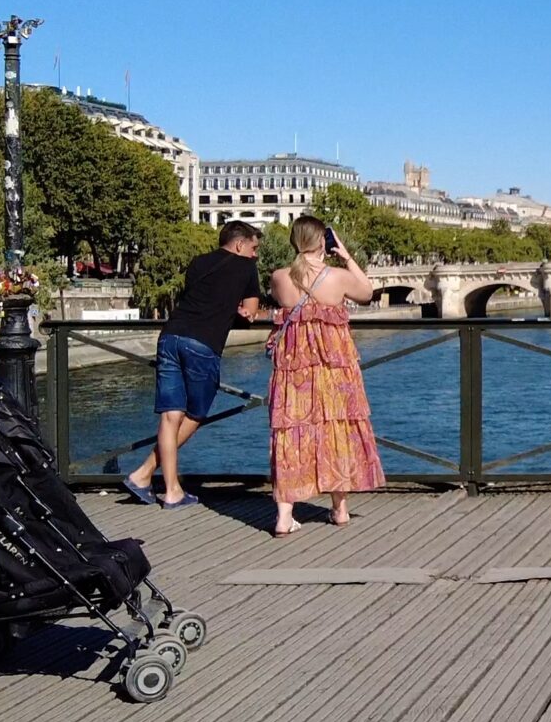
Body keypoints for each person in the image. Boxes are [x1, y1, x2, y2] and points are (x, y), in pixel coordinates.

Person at [123, 221, 266, 508]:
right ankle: (148, 474)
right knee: (195, 414)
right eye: (254, 248)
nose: (255, 255)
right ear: (240, 245)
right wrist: (240, 311)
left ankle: (166, 486)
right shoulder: (246, 267)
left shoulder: (198, 262)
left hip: (170, 337)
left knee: (169, 415)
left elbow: (201, 297)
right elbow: (250, 311)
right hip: (203, 343)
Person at [264, 217, 384, 536]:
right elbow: (367, 292)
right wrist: (344, 255)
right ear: (323, 242)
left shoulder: (279, 278)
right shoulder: (338, 278)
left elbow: (288, 306)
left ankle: (284, 516)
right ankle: (340, 508)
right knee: (336, 429)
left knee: (291, 433)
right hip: (334, 367)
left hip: (294, 369)